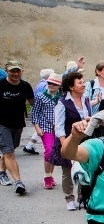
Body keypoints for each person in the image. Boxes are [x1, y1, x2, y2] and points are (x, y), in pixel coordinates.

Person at [53, 71, 92, 210]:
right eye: (80, 83)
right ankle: (69, 198)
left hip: (85, 141)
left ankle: (83, 197)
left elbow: (89, 119)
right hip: (68, 140)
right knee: (68, 171)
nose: (83, 85)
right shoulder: (62, 103)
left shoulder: (86, 99)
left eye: (83, 82)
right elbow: (59, 127)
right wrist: (66, 146)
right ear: (71, 87)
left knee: (85, 169)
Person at [0, 60, 35, 194]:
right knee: (9, 152)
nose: (15, 73)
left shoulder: (25, 86)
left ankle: (2, 172)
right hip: (2, 124)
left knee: (10, 150)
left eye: (18, 71)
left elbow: (33, 104)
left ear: (22, 71)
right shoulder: (1, 84)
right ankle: (18, 182)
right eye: (12, 71)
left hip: (18, 124)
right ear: (6, 71)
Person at [30, 73, 64, 190]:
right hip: (46, 128)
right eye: (49, 83)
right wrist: (37, 128)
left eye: (54, 84)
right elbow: (35, 113)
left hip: (59, 128)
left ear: (59, 85)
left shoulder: (62, 97)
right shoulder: (40, 96)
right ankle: (47, 177)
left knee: (54, 152)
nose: (51, 85)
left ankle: (50, 175)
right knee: (49, 151)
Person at [21, 68, 55, 155]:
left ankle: (29, 146)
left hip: (40, 111)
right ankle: (29, 146)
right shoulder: (45, 85)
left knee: (40, 130)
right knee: (41, 130)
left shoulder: (40, 83)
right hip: (42, 112)